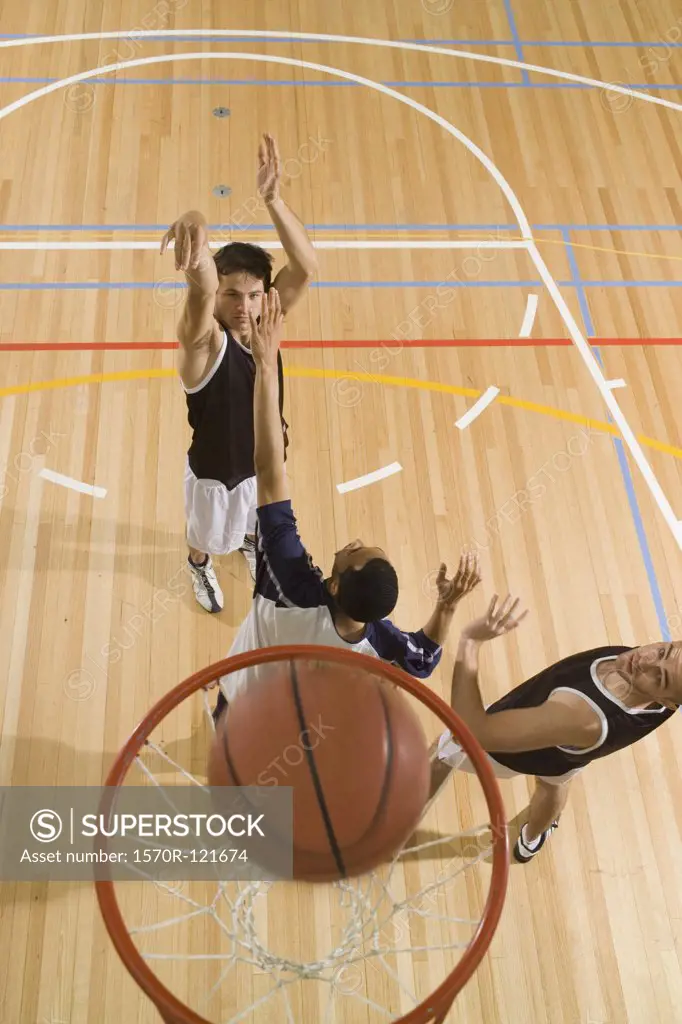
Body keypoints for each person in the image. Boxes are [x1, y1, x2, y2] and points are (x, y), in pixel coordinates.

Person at [212, 287, 482, 720]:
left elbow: (267, 467)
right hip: (293, 720)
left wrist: (265, 364)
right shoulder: (374, 637)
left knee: (227, 747)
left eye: (354, 551)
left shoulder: (289, 582)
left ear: (335, 585)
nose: (353, 541)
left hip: (244, 697)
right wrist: (446, 607)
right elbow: (422, 661)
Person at [160, 134, 318, 612]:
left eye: (253, 295)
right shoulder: (204, 342)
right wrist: (195, 221)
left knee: (256, 522)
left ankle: (250, 542)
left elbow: (307, 266)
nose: (244, 306)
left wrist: (273, 198)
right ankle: (198, 563)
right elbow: (201, 287)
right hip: (214, 471)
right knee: (202, 533)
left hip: (261, 462)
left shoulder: (267, 319)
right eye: (232, 295)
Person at [436, 594, 681, 863]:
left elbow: (476, 731)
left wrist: (470, 643)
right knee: (555, 782)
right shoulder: (653, 681)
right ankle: (531, 840)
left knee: (439, 753)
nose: (645, 661)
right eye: (662, 651)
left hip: (509, 753)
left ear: (668, 702)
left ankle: (393, 820)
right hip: (567, 755)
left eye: (660, 676)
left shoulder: (581, 716)